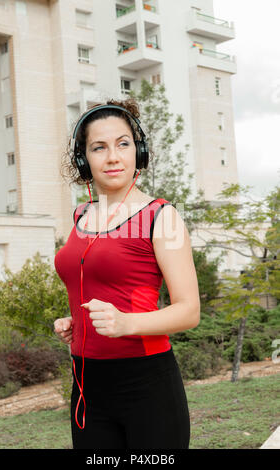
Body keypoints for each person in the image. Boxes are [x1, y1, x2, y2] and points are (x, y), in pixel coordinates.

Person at [53, 97, 200, 449]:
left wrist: (127, 324)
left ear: (139, 152)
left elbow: (189, 310)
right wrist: (75, 320)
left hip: (146, 383)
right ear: (82, 159)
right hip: (87, 383)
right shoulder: (80, 216)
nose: (113, 157)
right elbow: (98, 285)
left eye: (123, 144)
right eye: (98, 147)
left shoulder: (161, 216)